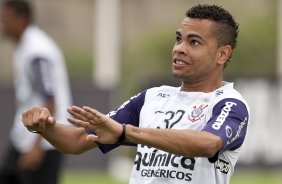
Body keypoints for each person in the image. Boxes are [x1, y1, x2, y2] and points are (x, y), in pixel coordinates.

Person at [21, 4, 249, 184]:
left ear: (222, 54)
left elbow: (208, 144)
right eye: (179, 39)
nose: (180, 48)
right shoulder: (152, 98)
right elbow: (77, 141)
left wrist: (125, 132)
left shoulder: (229, 103)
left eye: (194, 42)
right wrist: (45, 128)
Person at [0, 0, 72, 184]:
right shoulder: (25, 45)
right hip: (24, 137)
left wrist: (36, 147)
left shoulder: (37, 50)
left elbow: (50, 99)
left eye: (6, 18)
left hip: (44, 143)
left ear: (21, 19)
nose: (3, 23)